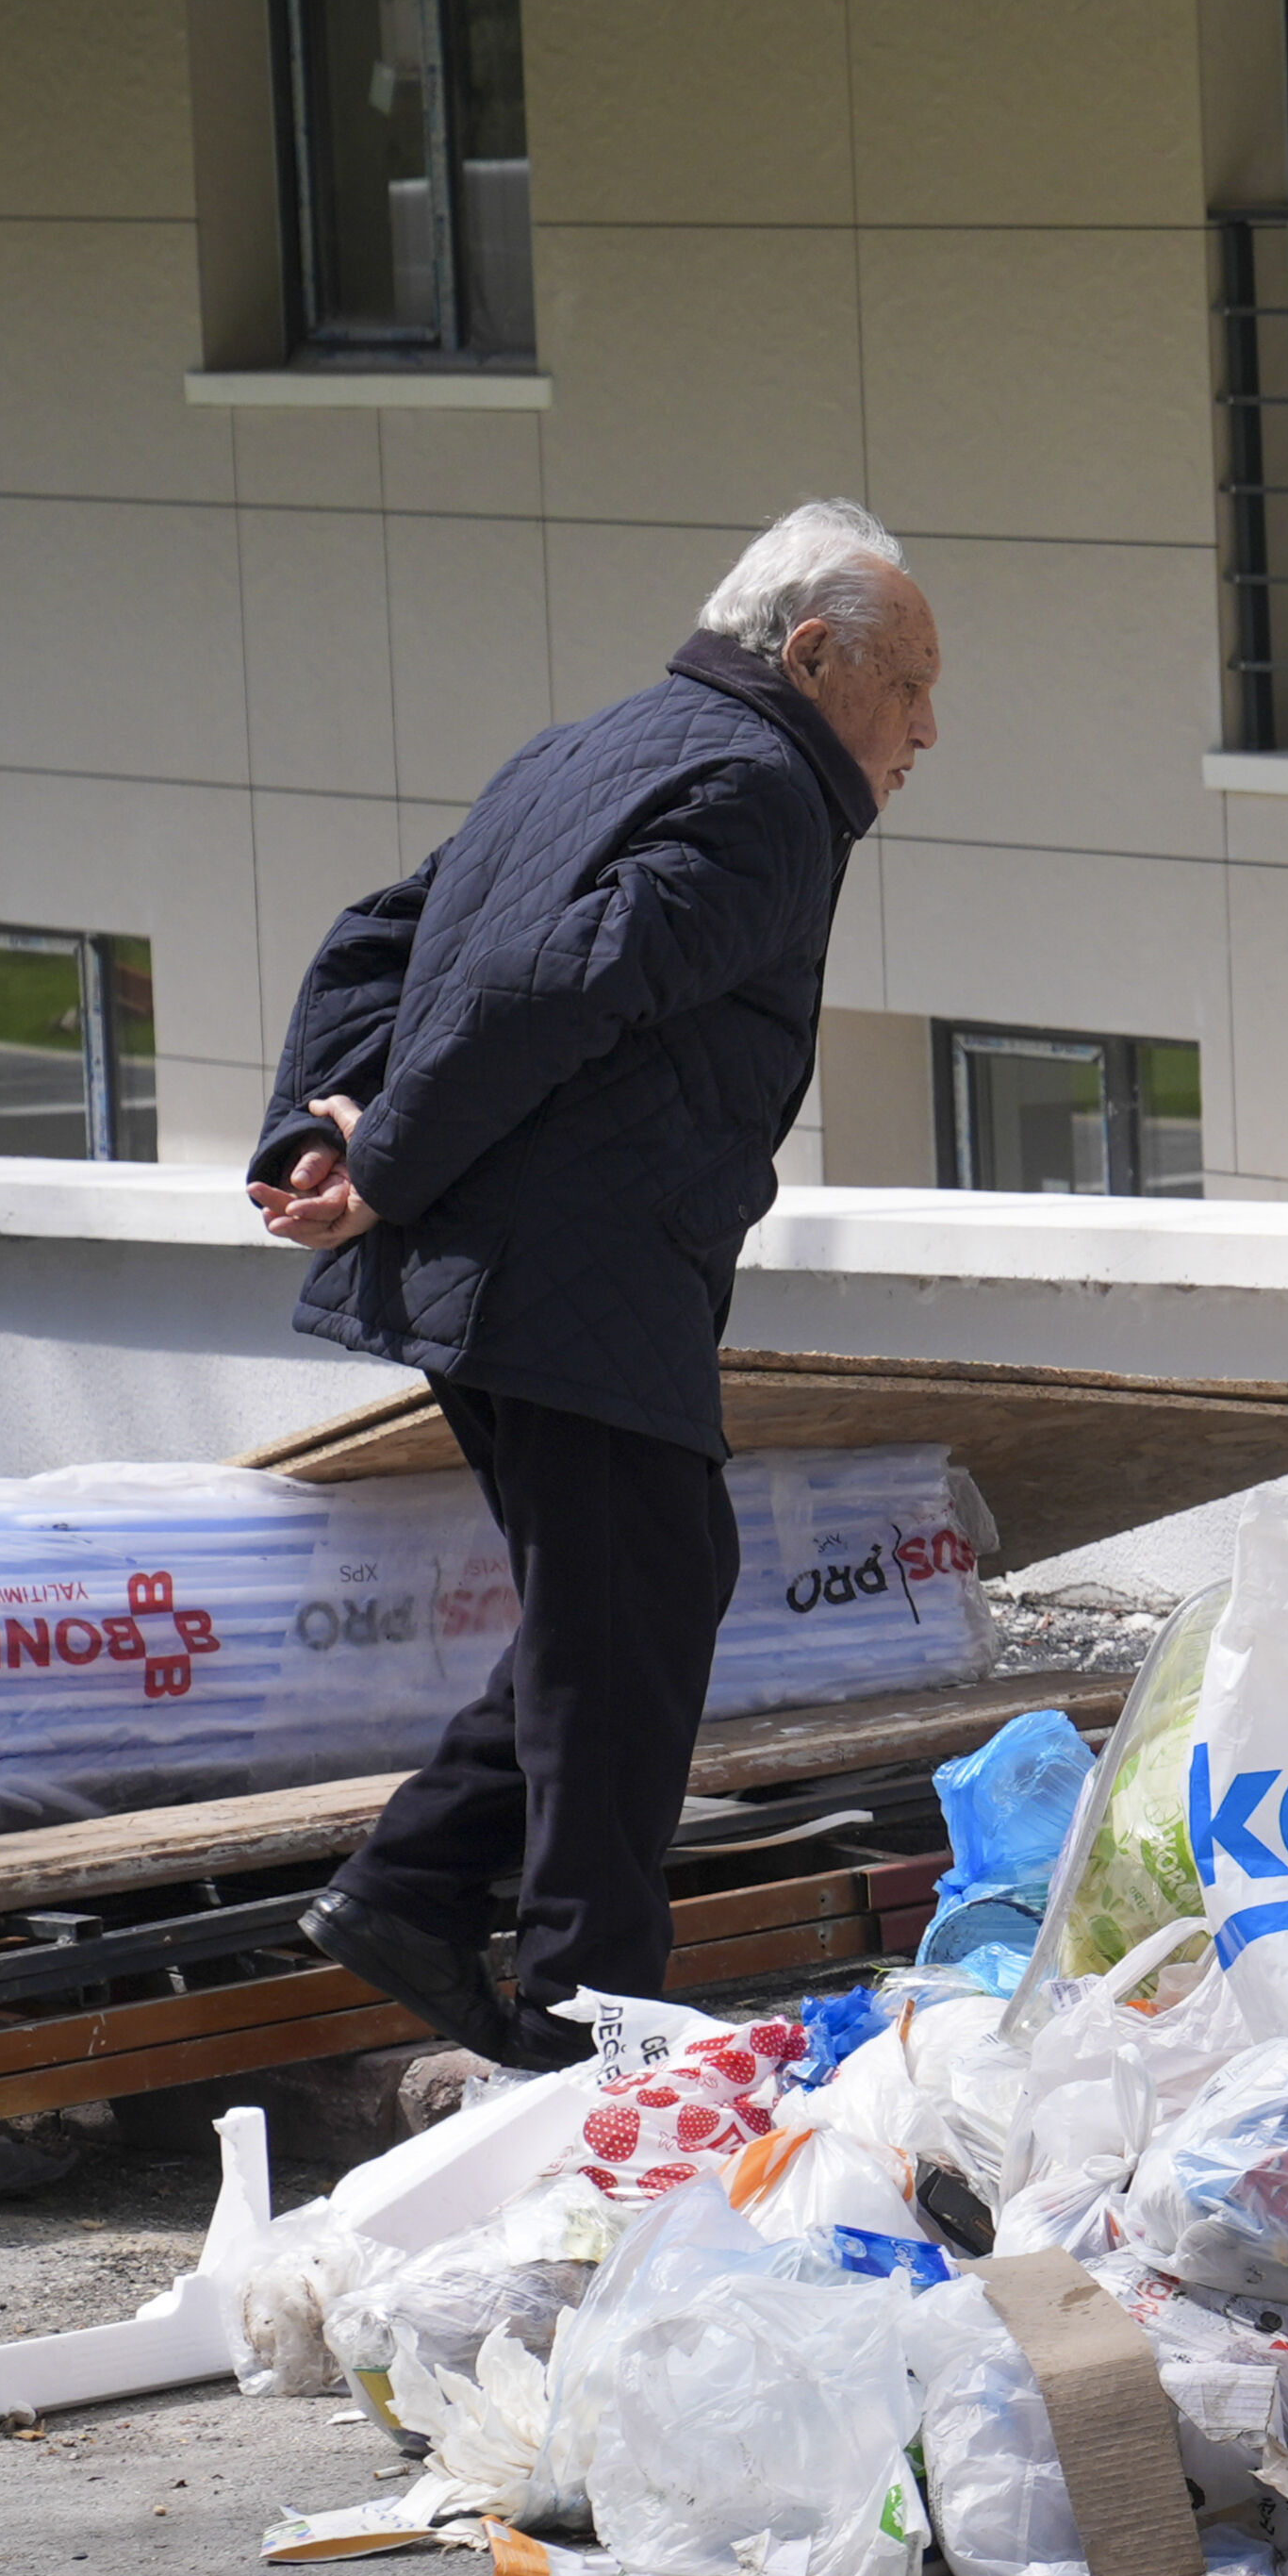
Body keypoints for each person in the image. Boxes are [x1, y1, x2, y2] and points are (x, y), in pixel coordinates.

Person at [248, 502, 939, 2068]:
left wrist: (319, 1123)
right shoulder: (764, 792)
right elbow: (534, 986)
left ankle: (419, 1889)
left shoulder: (593, 746)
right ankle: (583, 2005)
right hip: (568, 1267)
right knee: (630, 1610)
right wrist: (382, 1163)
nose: (925, 729)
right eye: (908, 687)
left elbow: (380, 938)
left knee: (634, 1594)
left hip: (514, 1267)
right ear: (814, 656)